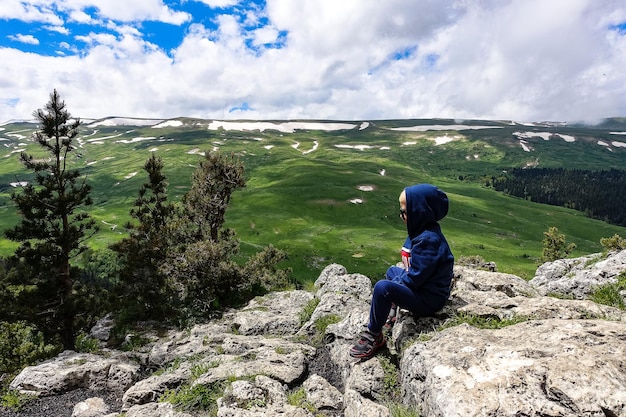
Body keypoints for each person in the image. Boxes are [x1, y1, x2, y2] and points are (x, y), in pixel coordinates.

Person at [349, 184, 454, 359]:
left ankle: (374, 335)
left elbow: (416, 278)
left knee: (383, 288)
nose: (401, 215)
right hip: (421, 287)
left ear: (420, 211)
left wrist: (396, 286)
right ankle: (391, 311)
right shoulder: (418, 231)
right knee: (392, 271)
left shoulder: (428, 240)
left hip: (430, 298)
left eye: (405, 211)